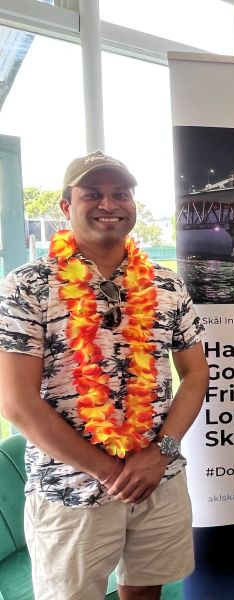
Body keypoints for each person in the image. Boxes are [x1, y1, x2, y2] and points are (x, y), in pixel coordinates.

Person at [0, 151, 209, 600]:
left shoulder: (167, 284)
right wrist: (112, 472)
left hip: (158, 479)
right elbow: (17, 403)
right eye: (92, 193)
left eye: (121, 194)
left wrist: (160, 454)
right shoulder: (27, 285)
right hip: (69, 488)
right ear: (66, 206)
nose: (109, 204)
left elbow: (195, 374)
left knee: (146, 592)